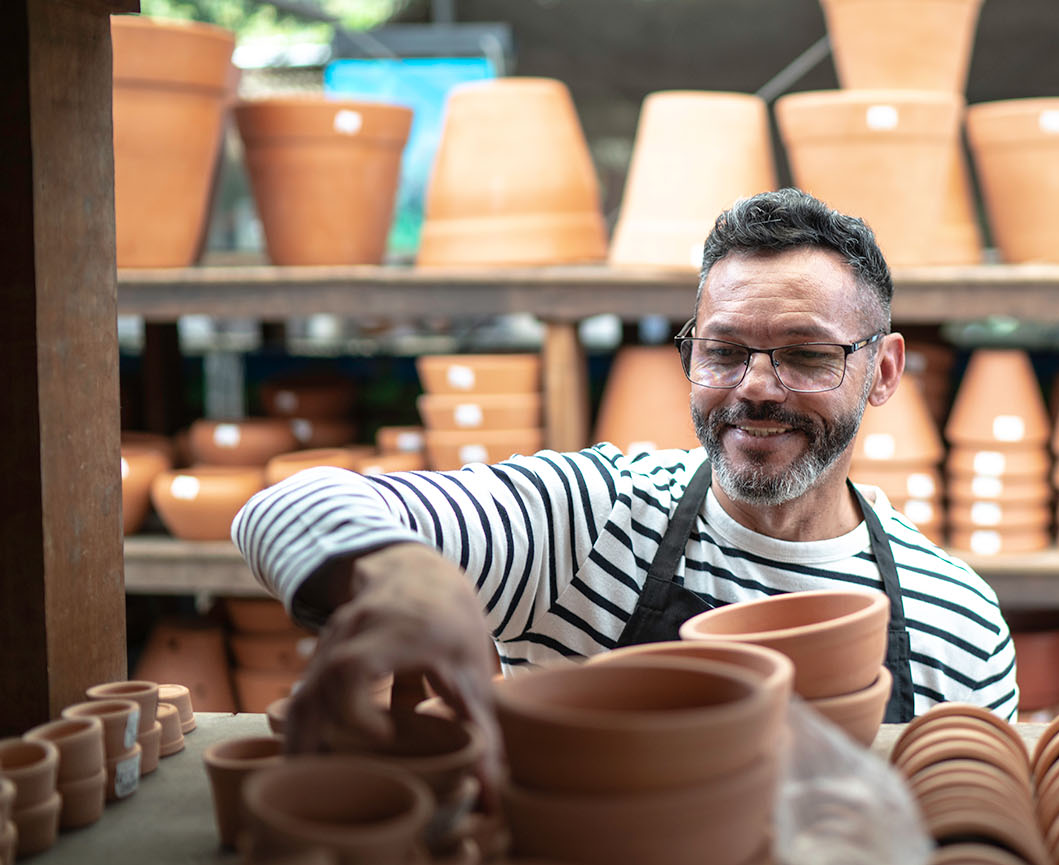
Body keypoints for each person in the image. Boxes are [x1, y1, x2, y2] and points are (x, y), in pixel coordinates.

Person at [232, 187, 1017, 759]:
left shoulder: (953, 617)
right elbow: (284, 504)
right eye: (724, 350)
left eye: (807, 355)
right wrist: (404, 575)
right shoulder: (593, 518)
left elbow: (970, 825)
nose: (754, 387)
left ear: (882, 371)